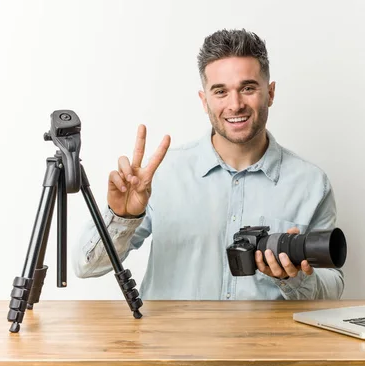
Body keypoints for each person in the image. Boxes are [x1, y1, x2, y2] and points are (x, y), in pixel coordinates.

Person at [73, 29, 344, 300]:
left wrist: (294, 279)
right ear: (204, 101)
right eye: (220, 92)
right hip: (173, 341)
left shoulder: (311, 184)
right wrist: (122, 217)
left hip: (264, 343)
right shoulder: (163, 175)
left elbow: (333, 289)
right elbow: (86, 267)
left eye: (248, 88)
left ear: (270, 93)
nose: (235, 104)